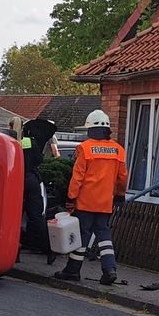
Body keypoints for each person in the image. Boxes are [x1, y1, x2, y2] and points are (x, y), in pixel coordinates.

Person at [53, 110, 127, 285]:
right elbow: (122, 177)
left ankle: (72, 271)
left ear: (90, 129)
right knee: (104, 235)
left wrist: (71, 198)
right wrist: (120, 195)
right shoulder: (118, 150)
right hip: (105, 203)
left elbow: (77, 177)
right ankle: (110, 269)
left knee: (81, 237)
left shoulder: (85, 148)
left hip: (85, 203)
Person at [20, 118, 57, 264]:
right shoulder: (32, 142)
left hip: (18, 179)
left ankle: (15, 252)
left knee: (13, 216)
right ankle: (48, 249)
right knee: (36, 217)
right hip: (33, 180)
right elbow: (38, 160)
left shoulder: (15, 141)